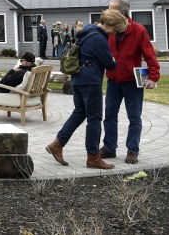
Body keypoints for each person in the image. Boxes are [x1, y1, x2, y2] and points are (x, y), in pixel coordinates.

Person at [46, 9, 128, 169]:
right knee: (95, 119)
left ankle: (57, 144)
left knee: (79, 113)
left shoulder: (86, 32)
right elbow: (110, 64)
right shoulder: (98, 38)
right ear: (109, 24)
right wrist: (113, 58)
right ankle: (93, 157)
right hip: (91, 82)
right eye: (115, 29)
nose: (114, 33)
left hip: (78, 79)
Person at [100, 0, 161, 165]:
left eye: (111, 9)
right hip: (113, 80)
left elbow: (149, 55)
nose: (107, 11)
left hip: (133, 81)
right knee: (109, 115)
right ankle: (109, 147)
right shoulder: (108, 29)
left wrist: (153, 77)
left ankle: (132, 150)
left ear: (122, 13)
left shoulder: (139, 30)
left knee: (134, 117)